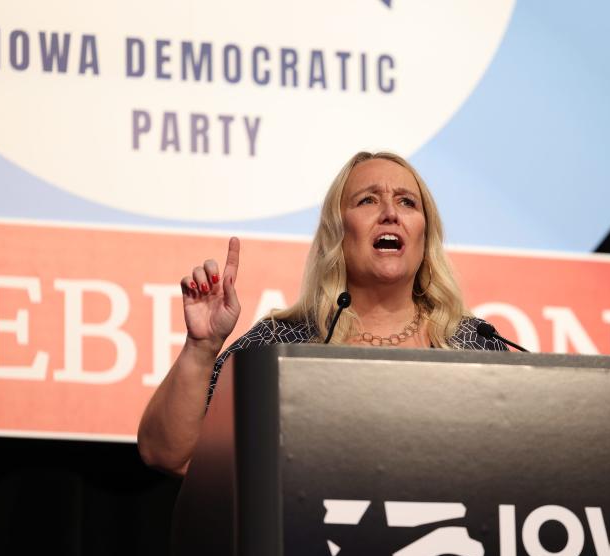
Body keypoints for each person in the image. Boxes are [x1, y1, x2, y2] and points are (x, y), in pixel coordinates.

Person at [137, 151, 508, 474]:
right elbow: (169, 455)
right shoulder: (282, 343)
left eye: (407, 202)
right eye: (367, 201)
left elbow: (519, 465)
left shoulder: (475, 345)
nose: (391, 213)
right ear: (337, 233)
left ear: (424, 235)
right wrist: (202, 347)